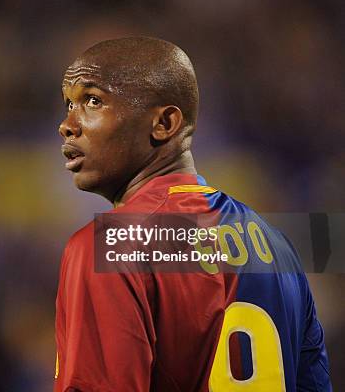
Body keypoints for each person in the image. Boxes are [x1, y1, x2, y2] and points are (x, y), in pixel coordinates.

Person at [54, 37, 331, 391]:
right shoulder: (279, 247)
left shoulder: (108, 247)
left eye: (93, 101)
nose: (67, 124)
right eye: (68, 104)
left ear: (165, 123)